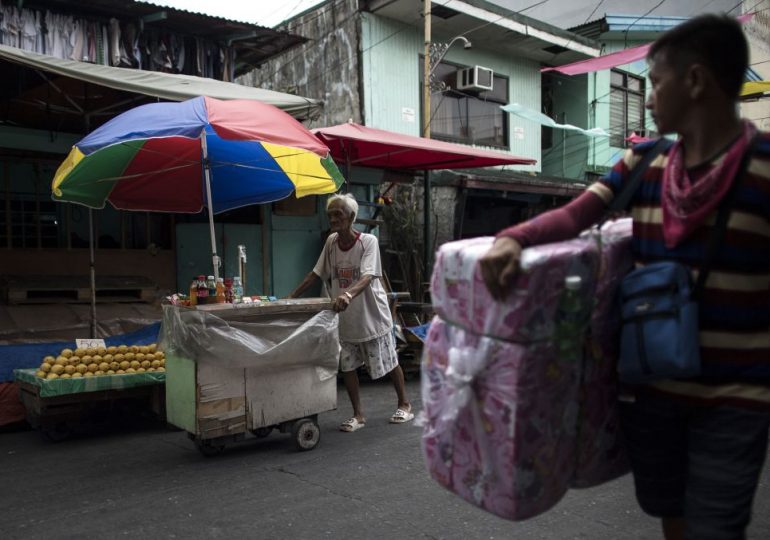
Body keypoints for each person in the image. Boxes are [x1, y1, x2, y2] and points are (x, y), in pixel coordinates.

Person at [479, 14, 770, 540]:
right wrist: (513, 239)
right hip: (652, 393)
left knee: (717, 525)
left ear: (697, 81)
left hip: (737, 399)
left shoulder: (764, 166)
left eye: (656, 83)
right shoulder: (644, 161)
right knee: (673, 517)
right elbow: (576, 215)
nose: (650, 99)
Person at [288, 193, 414, 432]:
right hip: (345, 318)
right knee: (348, 367)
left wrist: (347, 294)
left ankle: (405, 404)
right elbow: (317, 272)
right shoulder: (331, 242)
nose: (334, 219)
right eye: (330, 215)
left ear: (352, 217)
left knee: (389, 360)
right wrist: (292, 296)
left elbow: (367, 276)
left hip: (371, 315)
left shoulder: (368, 241)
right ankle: (358, 415)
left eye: (339, 214)